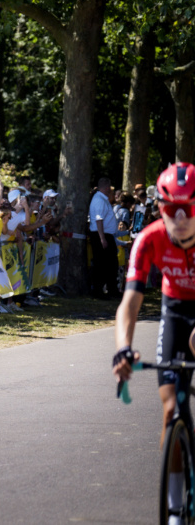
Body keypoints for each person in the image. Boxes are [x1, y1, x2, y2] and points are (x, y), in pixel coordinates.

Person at [113, 163, 195, 525]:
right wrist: (123, 348)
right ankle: (176, 509)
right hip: (175, 310)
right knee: (170, 411)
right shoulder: (149, 238)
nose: (178, 218)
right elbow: (130, 303)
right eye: (169, 209)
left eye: (187, 210)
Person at [89, 177, 119, 300]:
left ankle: (112, 289)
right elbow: (98, 219)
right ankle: (98, 291)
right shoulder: (99, 200)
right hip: (101, 235)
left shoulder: (102, 199)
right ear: (107, 188)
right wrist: (102, 238)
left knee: (111, 264)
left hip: (105, 235)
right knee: (101, 264)